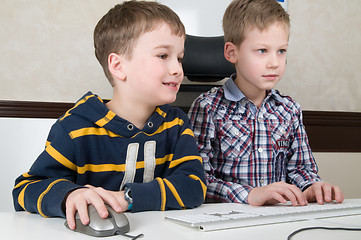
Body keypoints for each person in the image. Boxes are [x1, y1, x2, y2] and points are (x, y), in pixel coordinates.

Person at [13, 0, 206, 230]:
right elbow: (25, 189)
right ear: (118, 66)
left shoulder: (176, 124)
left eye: (180, 57)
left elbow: (194, 186)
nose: (178, 69)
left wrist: (127, 198)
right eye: (163, 55)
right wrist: (69, 195)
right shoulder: (75, 126)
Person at [188, 0, 343, 207]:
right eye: (262, 50)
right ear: (232, 53)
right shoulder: (208, 108)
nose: (275, 62)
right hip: (228, 219)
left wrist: (311, 186)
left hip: (277, 217)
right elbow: (197, 179)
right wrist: (250, 194)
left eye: (281, 51)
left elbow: (301, 169)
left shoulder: (289, 109)